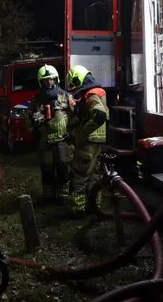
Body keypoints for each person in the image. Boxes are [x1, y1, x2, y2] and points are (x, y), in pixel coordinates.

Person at [23, 65, 74, 204]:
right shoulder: (36, 100)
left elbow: (76, 116)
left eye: (51, 79)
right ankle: (48, 197)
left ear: (56, 79)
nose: (49, 82)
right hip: (45, 142)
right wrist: (35, 122)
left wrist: (72, 133)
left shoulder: (66, 96)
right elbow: (28, 120)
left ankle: (64, 198)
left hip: (63, 141)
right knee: (47, 171)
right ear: (41, 82)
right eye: (46, 80)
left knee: (64, 169)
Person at [65, 65, 108, 216]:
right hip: (98, 140)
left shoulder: (91, 95)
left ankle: (78, 209)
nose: (73, 87)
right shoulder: (97, 92)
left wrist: (83, 131)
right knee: (95, 175)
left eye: (74, 82)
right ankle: (94, 206)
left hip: (88, 142)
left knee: (80, 174)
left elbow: (100, 115)